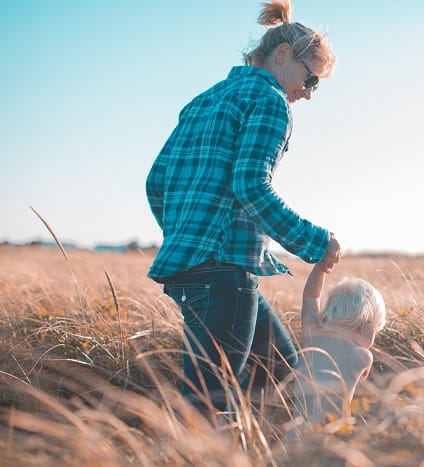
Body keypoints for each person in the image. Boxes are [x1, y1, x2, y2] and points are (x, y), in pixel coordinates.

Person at [145, 0, 340, 414]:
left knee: (285, 375)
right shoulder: (271, 102)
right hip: (223, 273)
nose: (308, 94)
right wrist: (316, 242)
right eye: (312, 80)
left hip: (192, 268)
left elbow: (156, 182)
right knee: (207, 409)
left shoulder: (204, 100)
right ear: (284, 55)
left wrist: (187, 236)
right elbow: (251, 186)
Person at [292, 259, 386, 426]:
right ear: (364, 325)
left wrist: (320, 269)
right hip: (330, 434)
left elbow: (311, 296)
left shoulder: (313, 336)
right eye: (376, 330)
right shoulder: (363, 356)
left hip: (294, 431)